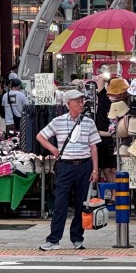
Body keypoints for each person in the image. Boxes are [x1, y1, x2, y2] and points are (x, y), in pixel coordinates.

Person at [36, 89, 101, 251]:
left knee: (81, 204)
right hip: (65, 166)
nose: (81, 103)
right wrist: (53, 149)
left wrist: (95, 170)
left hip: (84, 166)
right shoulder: (58, 121)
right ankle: (53, 239)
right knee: (60, 203)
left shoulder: (88, 122)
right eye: (76, 101)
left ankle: (77, 237)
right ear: (68, 104)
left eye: (82, 100)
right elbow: (40, 136)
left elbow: (93, 148)